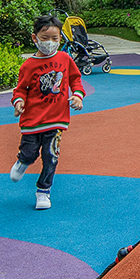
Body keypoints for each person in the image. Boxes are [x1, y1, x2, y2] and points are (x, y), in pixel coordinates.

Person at [9, 14, 86, 210]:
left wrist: (77, 95)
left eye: (55, 39)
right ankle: (23, 161)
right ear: (35, 38)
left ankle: (43, 191)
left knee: (51, 156)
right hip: (33, 121)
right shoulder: (28, 66)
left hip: (56, 120)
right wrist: (19, 102)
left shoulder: (65, 59)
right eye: (45, 38)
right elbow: (20, 90)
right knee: (29, 153)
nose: (50, 43)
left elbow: (76, 80)